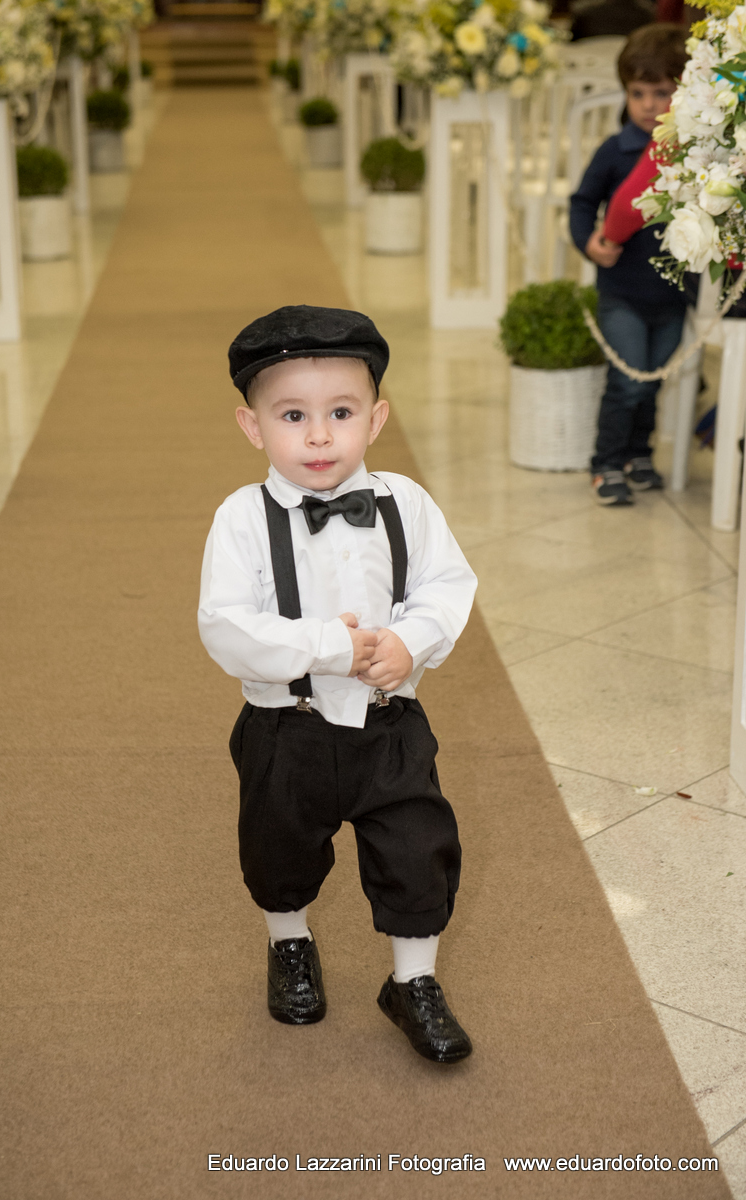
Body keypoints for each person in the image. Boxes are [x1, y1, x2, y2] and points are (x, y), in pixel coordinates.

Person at [198, 305, 478, 1063]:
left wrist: (408, 642)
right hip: (285, 728)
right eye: (293, 415)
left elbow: (447, 585)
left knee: (419, 850)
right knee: (278, 850)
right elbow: (225, 625)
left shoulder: (406, 504)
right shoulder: (241, 519)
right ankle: (288, 942)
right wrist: (328, 646)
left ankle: (412, 980)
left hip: (390, 726)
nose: (319, 436)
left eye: (341, 413)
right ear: (253, 427)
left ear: (376, 419)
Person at [569, 23, 691, 506]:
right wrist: (589, 243)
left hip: (673, 294)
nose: (648, 105)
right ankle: (605, 462)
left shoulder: (691, 156)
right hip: (621, 293)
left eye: (661, 93)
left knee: (653, 381)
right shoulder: (614, 151)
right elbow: (582, 203)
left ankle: (639, 453)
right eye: (637, 93)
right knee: (626, 380)